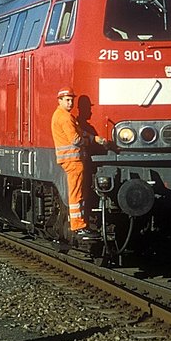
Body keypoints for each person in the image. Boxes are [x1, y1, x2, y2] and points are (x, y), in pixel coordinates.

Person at [51, 87, 106, 241]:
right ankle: (78, 226)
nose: (70, 103)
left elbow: (79, 132)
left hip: (71, 160)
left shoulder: (63, 116)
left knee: (78, 193)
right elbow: (76, 139)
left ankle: (79, 224)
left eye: (72, 100)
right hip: (73, 161)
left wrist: (94, 138)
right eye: (67, 100)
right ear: (60, 101)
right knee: (76, 194)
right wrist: (90, 141)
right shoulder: (65, 118)